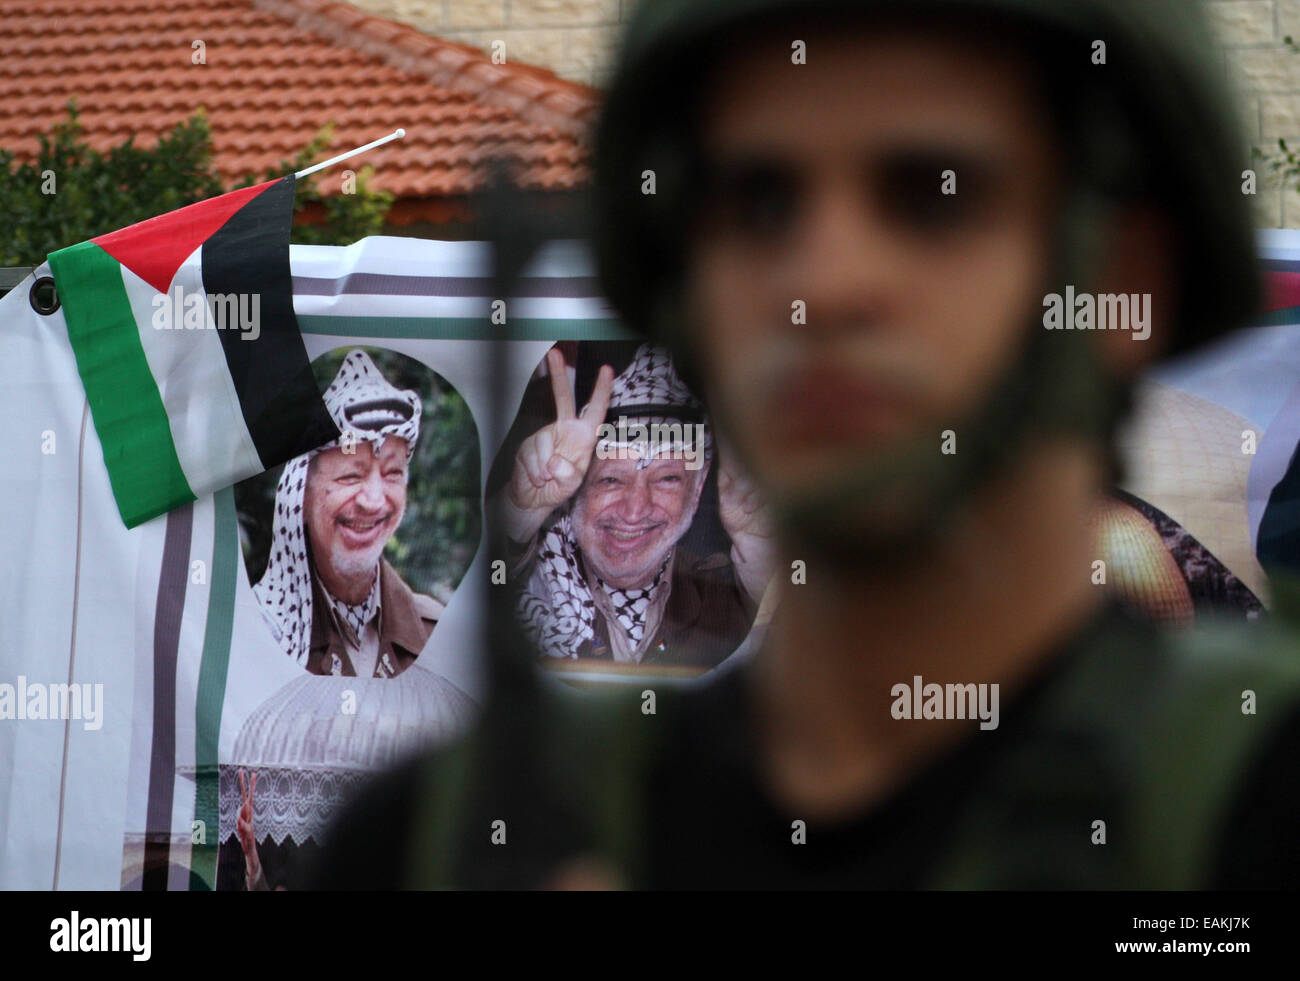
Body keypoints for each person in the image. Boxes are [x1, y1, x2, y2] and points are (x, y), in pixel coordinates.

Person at [311, 0, 1300, 889]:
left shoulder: (1256, 807)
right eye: (758, 204)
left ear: (1124, 278)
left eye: (931, 199)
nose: (822, 284)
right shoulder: (439, 841)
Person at [499, 342, 772, 668]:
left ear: (697, 490)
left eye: (666, 478)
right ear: (574, 492)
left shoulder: (725, 599)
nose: (634, 510)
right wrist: (516, 515)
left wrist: (760, 548)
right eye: (611, 479)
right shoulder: (527, 581)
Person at [254, 348, 442, 679]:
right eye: (350, 476)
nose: (373, 500)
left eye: (392, 473)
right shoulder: (260, 632)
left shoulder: (434, 634)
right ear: (302, 496)